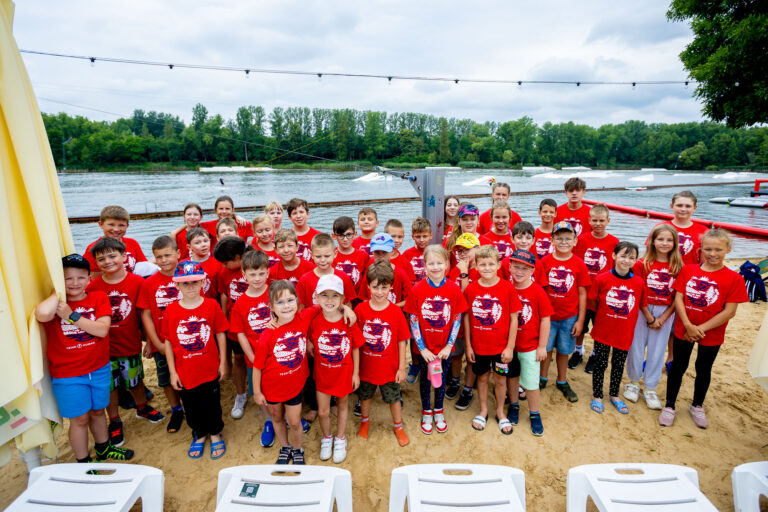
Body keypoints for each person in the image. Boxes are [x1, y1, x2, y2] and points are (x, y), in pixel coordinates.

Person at [36, 254, 134, 463]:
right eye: (68, 278)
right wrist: (56, 292)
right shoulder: (55, 305)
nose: (75, 283)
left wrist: (72, 316)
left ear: (89, 279)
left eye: (81, 277)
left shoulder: (98, 297)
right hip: (68, 374)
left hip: (99, 368)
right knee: (79, 419)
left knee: (98, 412)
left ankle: (103, 448)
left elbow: (101, 330)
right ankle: (83, 461)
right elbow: (42, 314)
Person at [659, 229, 748, 429]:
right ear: (700, 250)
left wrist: (699, 329)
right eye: (708, 249)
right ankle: (670, 405)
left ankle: (697, 405)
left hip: (711, 332)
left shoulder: (734, 278)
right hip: (685, 327)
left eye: (718, 250)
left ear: (728, 249)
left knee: (703, 368)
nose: (712, 254)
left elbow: (729, 311)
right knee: (678, 366)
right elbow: (679, 298)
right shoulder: (688, 270)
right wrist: (688, 325)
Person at [87, 237, 164, 448]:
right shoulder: (93, 287)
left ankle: (142, 407)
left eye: (112, 256)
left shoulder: (138, 282)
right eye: (101, 259)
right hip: (103, 348)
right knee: (110, 386)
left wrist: (150, 341)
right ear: (96, 262)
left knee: (135, 380)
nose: (107, 261)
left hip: (130, 343)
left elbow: (145, 314)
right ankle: (114, 420)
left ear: (124, 257)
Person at [162, 261, 229, 459]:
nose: (190, 287)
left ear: (202, 282)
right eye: (185, 283)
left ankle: (215, 432)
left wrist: (223, 362)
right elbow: (168, 342)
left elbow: (220, 334)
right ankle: (199, 433)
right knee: (191, 406)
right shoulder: (171, 310)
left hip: (209, 367)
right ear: (177, 285)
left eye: (194, 282)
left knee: (212, 403)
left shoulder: (212, 305)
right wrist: (172, 372)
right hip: (185, 371)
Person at [405, 245, 468, 435]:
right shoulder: (417, 289)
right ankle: (426, 411)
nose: (435, 267)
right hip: (425, 348)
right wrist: (422, 348)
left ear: (447, 264)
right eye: (431, 263)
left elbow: (457, 318)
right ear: (424, 265)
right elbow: (414, 320)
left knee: (440, 379)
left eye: (439, 263)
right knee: (425, 380)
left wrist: (449, 345)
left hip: (444, 348)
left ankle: (438, 410)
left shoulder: (453, 288)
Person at [252, 280, 316, 465]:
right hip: (272, 388)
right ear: (271, 307)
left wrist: (345, 309)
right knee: (277, 418)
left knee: (294, 422)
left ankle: (297, 449)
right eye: (280, 302)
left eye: (290, 300)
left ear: (297, 300)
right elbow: (257, 366)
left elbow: (324, 306)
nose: (286, 306)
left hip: (294, 387)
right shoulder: (267, 334)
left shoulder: (304, 317)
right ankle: (285, 447)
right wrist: (257, 392)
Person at [587, 242, 651, 416]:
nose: (626, 260)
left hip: (624, 332)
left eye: (631, 258)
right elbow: (593, 301)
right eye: (623, 256)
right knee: (600, 363)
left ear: (636, 260)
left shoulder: (639, 283)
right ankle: (598, 395)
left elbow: (641, 305)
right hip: (603, 330)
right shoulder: (601, 279)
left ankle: (614, 395)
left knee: (618, 364)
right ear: (614, 256)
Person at [463, 245, 521, 435]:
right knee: (482, 378)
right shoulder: (471, 289)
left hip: (501, 347)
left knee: (500, 379)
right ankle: (483, 410)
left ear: (498, 265)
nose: (486, 268)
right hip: (479, 347)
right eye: (482, 264)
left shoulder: (507, 288)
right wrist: (468, 346)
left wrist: (510, 347)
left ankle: (500, 412)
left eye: (490, 264)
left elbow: (514, 318)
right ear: (475, 266)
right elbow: (467, 318)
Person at [624, 224, 682, 410]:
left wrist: (663, 318)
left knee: (657, 351)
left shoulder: (678, 267)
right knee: (636, 347)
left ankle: (650, 387)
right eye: (660, 239)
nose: (664, 243)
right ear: (652, 241)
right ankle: (633, 382)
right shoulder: (642, 264)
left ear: (675, 243)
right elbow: (637, 292)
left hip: (666, 311)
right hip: (643, 309)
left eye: (669, 240)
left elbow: (677, 297)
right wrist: (649, 316)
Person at [308, 275, 363, 463]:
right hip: (323, 375)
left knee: (342, 405)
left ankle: (340, 438)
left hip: (344, 373)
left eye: (335, 295)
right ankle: (327, 437)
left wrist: (355, 373)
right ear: (317, 297)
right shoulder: (314, 320)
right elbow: (305, 334)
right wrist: (308, 342)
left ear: (342, 298)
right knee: (323, 411)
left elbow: (355, 347)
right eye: (324, 295)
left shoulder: (348, 320)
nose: (329, 300)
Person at [355, 261, 411, 447]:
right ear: (368, 286)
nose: (379, 292)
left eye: (384, 287)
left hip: (389, 368)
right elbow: (356, 342)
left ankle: (398, 426)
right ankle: (365, 422)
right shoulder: (360, 310)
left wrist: (401, 368)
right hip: (366, 368)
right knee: (365, 396)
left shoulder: (396, 311)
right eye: (375, 287)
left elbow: (401, 341)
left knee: (393, 398)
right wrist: (355, 370)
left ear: (391, 287)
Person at [534, 221, 590, 402]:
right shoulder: (545, 262)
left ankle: (562, 380)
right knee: (546, 348)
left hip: (569, 316)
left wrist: (580, 321)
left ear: (575, 241)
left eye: (568, 238)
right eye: (559, 238)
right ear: (552, 240)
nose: (563, 242)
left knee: (564, 350)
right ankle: (542, 378)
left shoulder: (579, 264)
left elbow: (582, 293)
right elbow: (540, 290)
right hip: (548, 317)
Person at [229, 250, 276, 449]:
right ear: (244, 275)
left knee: (279, 388)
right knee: (260, 391)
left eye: (261, 273)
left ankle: (283, 417)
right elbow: (240, 333)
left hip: (278, 355)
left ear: (268, 273)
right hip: (255, 357)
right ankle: (269, 420)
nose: (257, 278)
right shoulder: (240, 303)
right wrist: (253, 357)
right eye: (252, 274)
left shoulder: (275, 293)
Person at [138, 236, 185, 433]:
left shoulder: (188, 277)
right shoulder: (149, 283)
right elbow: (146, 315)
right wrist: (154, 342)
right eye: (159, 257)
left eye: (168, 255)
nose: (164, 260)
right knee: (165, 378)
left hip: (186, 339)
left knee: (187, 375)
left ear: (178, 254)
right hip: (163, 341)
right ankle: (176, 410)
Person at [570, 204, 619, 372]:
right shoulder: (581, 240)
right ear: (589, 221)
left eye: (601, 221)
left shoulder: (614, 242)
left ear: (608, 221)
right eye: (595, 220)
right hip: (584, 292)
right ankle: (578, 351)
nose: (598, 224)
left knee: (599, 328)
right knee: (581, 326)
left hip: (602, 294)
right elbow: (575, 263)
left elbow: (615, 268)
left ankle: (595, 354)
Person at [507, 249, 552, 436]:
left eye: (525, 268)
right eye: (516, 267)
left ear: (532, 270)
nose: (519, 271)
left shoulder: (537, 291)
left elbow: (545, 319)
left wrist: (542, 346)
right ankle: (514, 405)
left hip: (530, 345)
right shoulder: (506, 288)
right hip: (509, 345)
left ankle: (534, 413)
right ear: (509, 267)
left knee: (531, 383)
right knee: (512, 378)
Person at [213, 237, 253, 420]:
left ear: (238, 257)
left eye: (225, 262)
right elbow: (224, 295)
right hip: (235, 323)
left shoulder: (255, 266)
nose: (223, 265)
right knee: (238, 357)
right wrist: (223, 318)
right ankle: (240, 394)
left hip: (256, 322)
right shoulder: (224, 272)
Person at [295, 233, 357, 308]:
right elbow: (301, 307)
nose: (323, 260)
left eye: (327, 256)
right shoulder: (304, 280)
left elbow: (347, 305)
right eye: (318, 256)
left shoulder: (343, 278)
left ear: (335, 254)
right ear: (312, 255)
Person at [84, 205, 147, 275]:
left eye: (121, 225)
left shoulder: (133, 243)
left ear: (127, 226)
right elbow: (93, 276)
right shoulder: (93, 248)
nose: (116, 229)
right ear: (101, 224)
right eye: (111, 225)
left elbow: (144, 267)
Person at [661, 190, 708, 265]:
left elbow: (704, 262)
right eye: (679, 205)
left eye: (688, 206)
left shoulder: (704, 231)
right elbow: (650, 253)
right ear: (672, 206)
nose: (683, 209)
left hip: (691, 271)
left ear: (694, 208)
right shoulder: (661, 228)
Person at [332, 216, 370, 293]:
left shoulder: (363, 256)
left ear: (355, 234)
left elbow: (366, 281)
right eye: (341, 235)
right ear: (334, 236)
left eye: (348, 234)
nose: (345, 239)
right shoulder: (330, 255)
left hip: (357, 297)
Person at [183, 227, 221, 299]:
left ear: (210, 241)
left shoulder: (218, 264)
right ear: (189, 247)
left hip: (212, 302)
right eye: (197, 243)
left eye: (205, 241)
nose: (203, 245)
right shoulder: (183, 265)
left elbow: (221, 290)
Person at [287, 198, 321, 262]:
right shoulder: (286, 236)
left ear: (307, 214)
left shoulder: (318, 236)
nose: (298, 216)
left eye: (301, 212)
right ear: (290, 217)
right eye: (294, 213)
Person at [402, 217, 432, 283]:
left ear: (431, 236)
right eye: (418, 237)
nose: (421, 240)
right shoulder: (407, 254)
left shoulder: (435, 253)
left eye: (425, 236)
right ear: (412, 236)